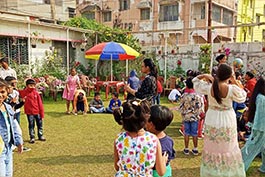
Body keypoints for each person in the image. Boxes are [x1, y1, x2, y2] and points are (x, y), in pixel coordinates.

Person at [192, 63, 246, 177]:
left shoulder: (210, 87)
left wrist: (205, 75)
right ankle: (228, 173)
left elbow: (195, 81)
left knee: (212, 146)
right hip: (227, 118)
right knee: (228, 147)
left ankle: (212, 172)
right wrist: (235, 81)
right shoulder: (232, 89)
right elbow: (243, 96)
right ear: (229, 76)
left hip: (212, 117)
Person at [113, 99, 168, 176]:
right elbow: (161, 172)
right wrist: (163, 161)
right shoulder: (153, 139)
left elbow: (117, 167)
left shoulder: (119, 139)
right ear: (145, 119)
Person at [241, 77, 265, 173]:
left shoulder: (258, 97)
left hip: (259, 126)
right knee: (251, 148)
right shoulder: (261, 98)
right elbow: (260, 114)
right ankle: (239, 165)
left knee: (262, 148)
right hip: (261, 127)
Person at [0, 78, 23, 177]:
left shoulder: (8, 107)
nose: (0, 95)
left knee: (9, 174)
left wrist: (19, 141)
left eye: (2, 92)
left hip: (8, 147)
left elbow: (14, 125)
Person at [146, 105, 175, 177]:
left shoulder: (148, 142)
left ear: (151, 124)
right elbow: (170, 157)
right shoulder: (169, 141)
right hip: (167, 173)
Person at [179, 77, 204, 156]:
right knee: (194, 133)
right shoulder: (197, 96)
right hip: (194, 117)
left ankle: (186, 148)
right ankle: (195, 148)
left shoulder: (184, 96)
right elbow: (200, 107)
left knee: (186, 133)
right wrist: (198, 114)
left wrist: (183, 114)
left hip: (186, 116)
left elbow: (181, 107)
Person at [19, 79, 46, 144]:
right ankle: (32, 137)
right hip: (29, 113)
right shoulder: (24, 92)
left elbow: (40, 104)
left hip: (37, 112)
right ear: (27, 86)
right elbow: (18, 92)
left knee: (40, 125)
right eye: (31, 85)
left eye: (34, 85)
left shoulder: (36, 93)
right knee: (31, 125)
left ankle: (40, 135)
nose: (32, 87)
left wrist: (41, 113)